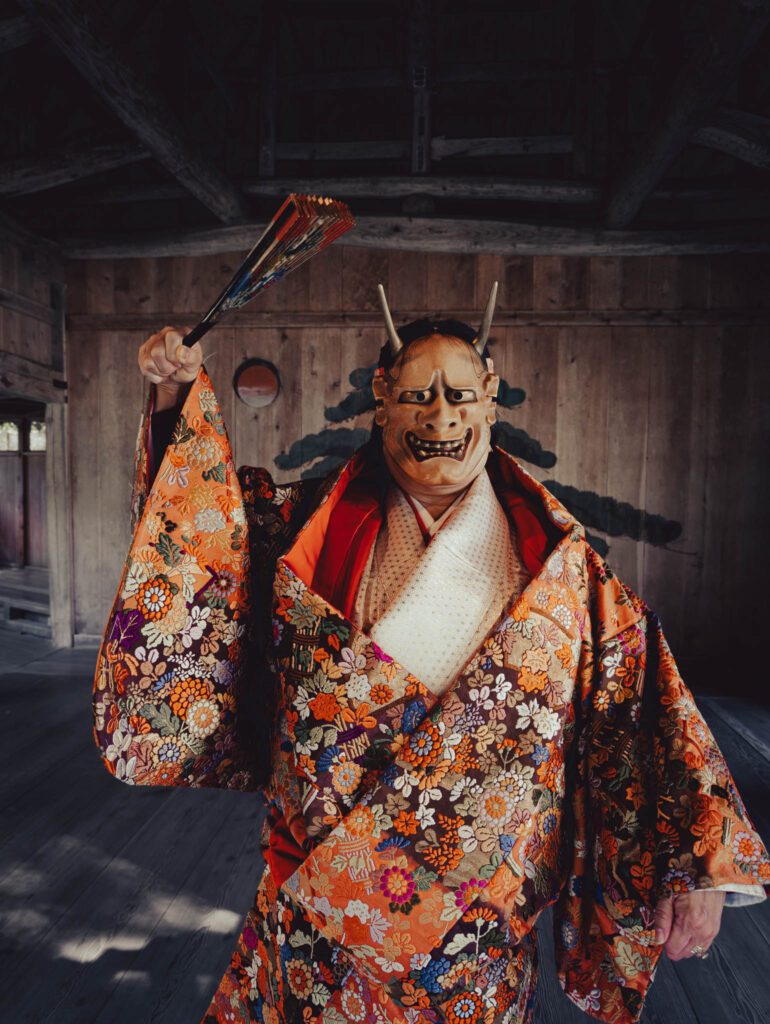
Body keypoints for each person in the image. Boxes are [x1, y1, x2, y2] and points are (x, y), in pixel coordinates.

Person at [94, 284, 768, 1024]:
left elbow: (636, 704)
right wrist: (176, 395)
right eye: (417, 396)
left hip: (478, 917)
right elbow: (200, 539)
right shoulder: (303, 529)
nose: (440, 416)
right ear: (380, 400)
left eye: (460, 395)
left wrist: (694, 858)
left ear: (489, 399)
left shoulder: (563, 564)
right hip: (323, 893)